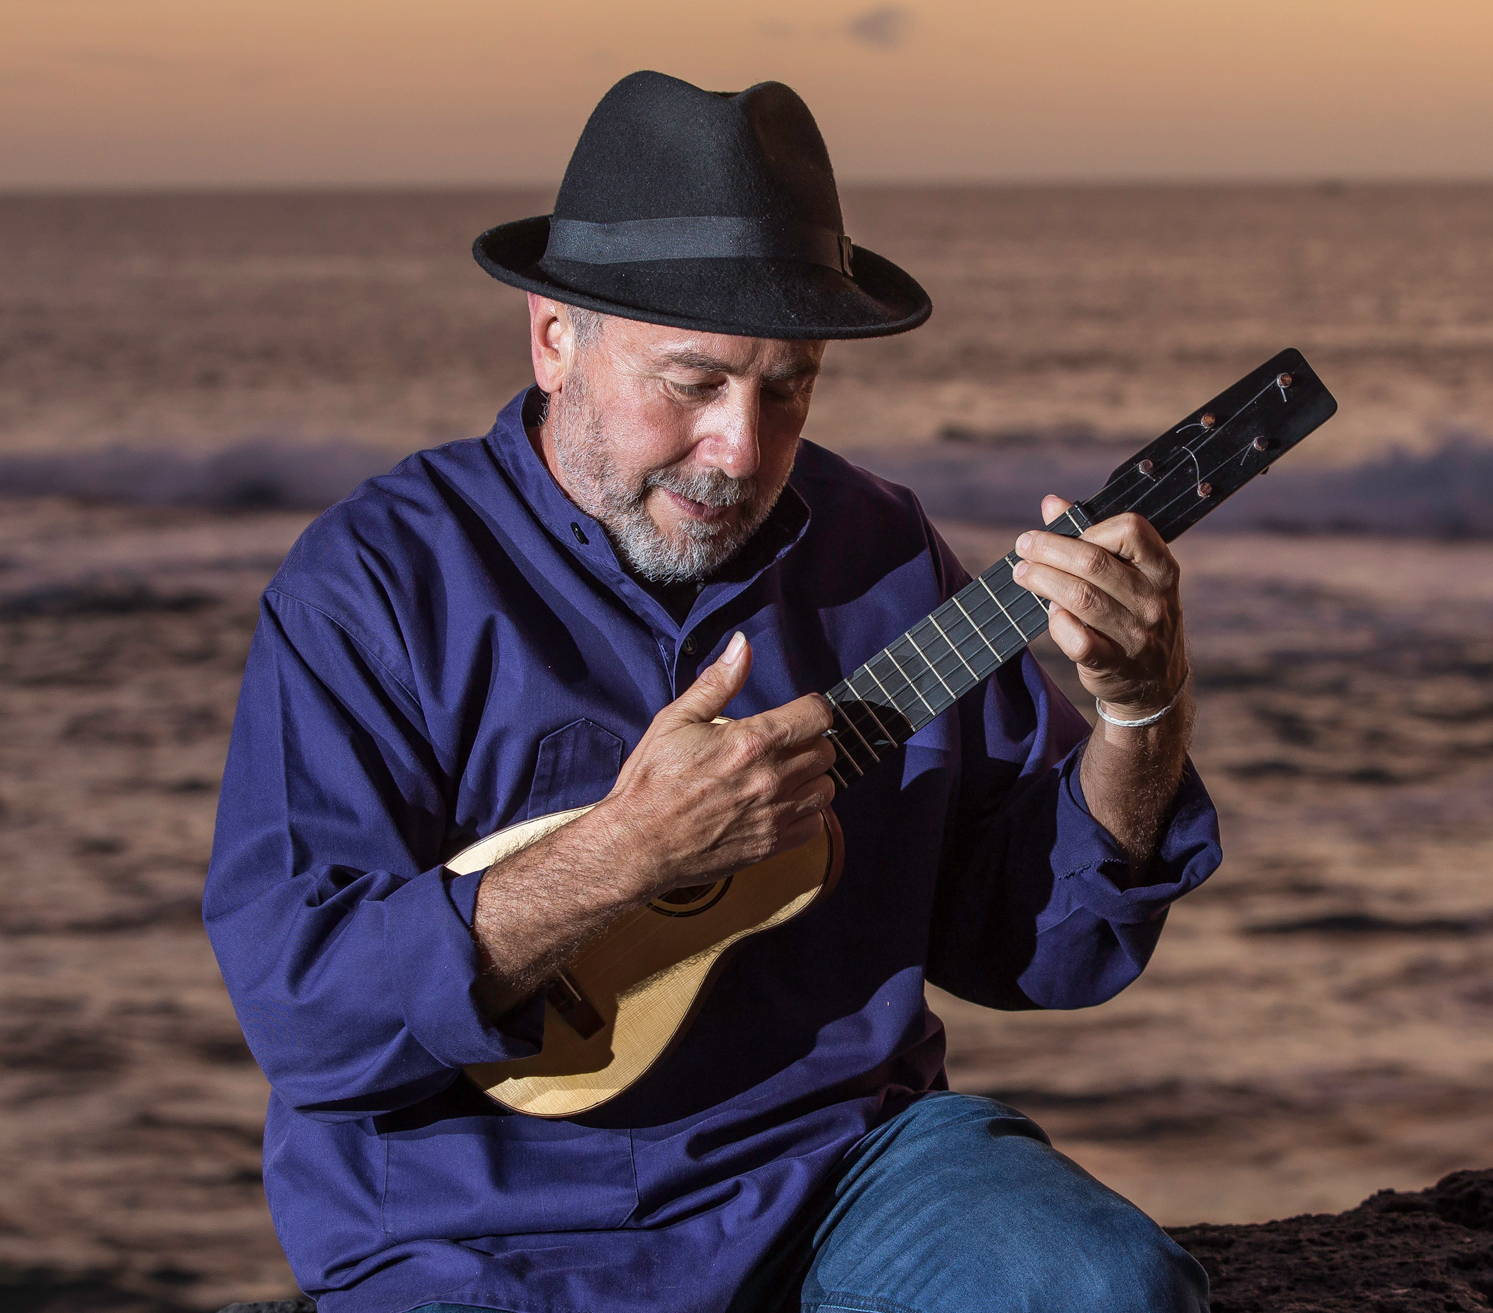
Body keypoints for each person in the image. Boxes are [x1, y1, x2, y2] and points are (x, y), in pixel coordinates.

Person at [204, 71, 1219, 1313]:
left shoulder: (879, 553)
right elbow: (309, 1013)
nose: (740, 446)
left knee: (1108, 1285)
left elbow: (1045, 948)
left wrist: (1141, 713)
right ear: (554, 336)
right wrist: (627, 852)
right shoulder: (373, 583)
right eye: (691, 382)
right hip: (482, 1228)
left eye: (787, 386)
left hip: (838, 1172)